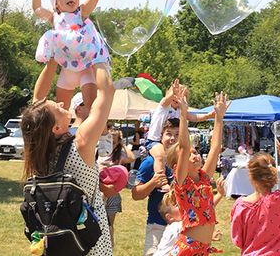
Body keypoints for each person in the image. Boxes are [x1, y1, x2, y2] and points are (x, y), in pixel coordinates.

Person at [21, 62, 114, 255]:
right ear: (56, 128)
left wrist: (53, 60)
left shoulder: (37, 151)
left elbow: (37, 104)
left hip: (58, 243)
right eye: (59, 108)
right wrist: (97, 58)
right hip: (91, 242)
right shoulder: (81, 143)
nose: (64, 105)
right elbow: (107, 92)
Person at [31, 0, 111, 110]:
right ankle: (45, 115)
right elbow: (37, 9)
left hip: (86, 68)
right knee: (62, 109)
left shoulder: (81, 13)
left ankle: (100, 130)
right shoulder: (54, 17)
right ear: (55, 3)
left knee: (91, 107)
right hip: (66, 70)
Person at [164, 89, 228, 256]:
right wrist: (184, 115)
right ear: (178, 164)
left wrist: (219, 118)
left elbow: (215, 148)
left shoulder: (204, 178)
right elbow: (184, 147)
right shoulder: (182, 182)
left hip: (202, 250)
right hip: (188, 249)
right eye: (191, 154)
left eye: (196, 152)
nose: (195, 155)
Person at [148, 79, 214, 193]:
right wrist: (173, 92)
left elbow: (194, 117)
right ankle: (162, 183)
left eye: (180, 98)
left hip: (173, 142)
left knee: (185, 158)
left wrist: (208, 116)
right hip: (155, 140)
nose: (176, 99)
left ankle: (191, 178)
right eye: (174, 96)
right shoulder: (164, 107)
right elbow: (166, 100)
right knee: (160, 156)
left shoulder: (180, 110)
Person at [131, 118, 179, 256]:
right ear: (161, 136)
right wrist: (153, 182)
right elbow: (135, 194)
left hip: (183, 226)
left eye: (177, 135)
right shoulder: (150, 162)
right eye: (169, 134)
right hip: (157, 226)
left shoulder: (186, 161)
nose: (172, 138)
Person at [154, 177, 226, 256]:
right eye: (177, 205)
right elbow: (201, 212)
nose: (183, 206)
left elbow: (202, 212)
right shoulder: (175, 226)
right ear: (170, 217)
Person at [97, 128, 136, 246]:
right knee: (98, 220)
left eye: (113, 143)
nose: (110, 145)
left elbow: (132, 158)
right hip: (100, 189)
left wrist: (123, 144)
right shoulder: (98, 153)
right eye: (108, 142)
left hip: (113, 192)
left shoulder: (119, 155)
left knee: (109, 223)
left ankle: (110, 246)